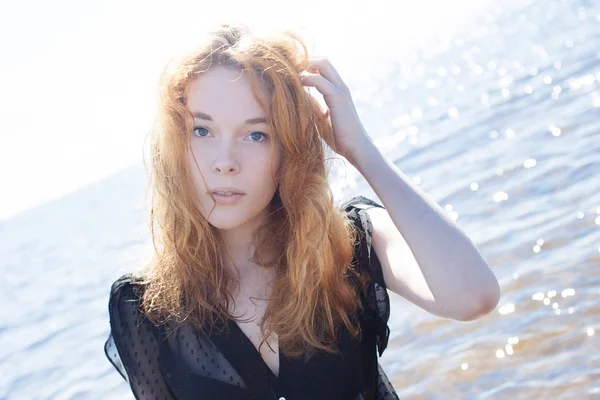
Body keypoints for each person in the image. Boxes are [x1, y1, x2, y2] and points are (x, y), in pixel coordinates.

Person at [103, 22, 501, 400]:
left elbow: (473, 296)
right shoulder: (145, 309)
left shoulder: (347, 242)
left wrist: (359, 149)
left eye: (256, 134)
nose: (225, 161)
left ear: (288, 150)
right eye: (201, 130)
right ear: (174, 141)